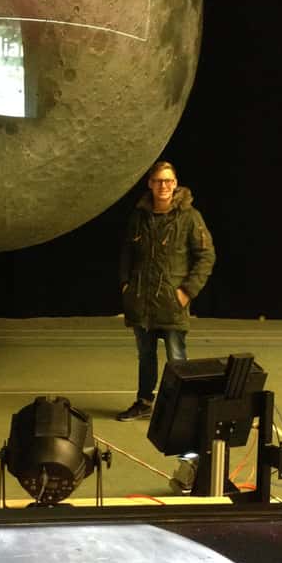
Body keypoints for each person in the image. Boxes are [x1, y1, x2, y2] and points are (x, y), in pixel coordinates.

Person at [117, 160, 215, 420]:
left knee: (177, 357)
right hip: (141, 300)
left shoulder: (190, 217)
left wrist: (186, 292)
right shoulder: (139, 216)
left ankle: (181, 408)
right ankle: (144, 402)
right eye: (159, 181)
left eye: (168, 181)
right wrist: (126, 284)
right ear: (150, 184)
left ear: (175, 184)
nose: (164, 186)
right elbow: (127, 251)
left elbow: (206, 256)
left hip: (172, 302)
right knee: (145, 356)